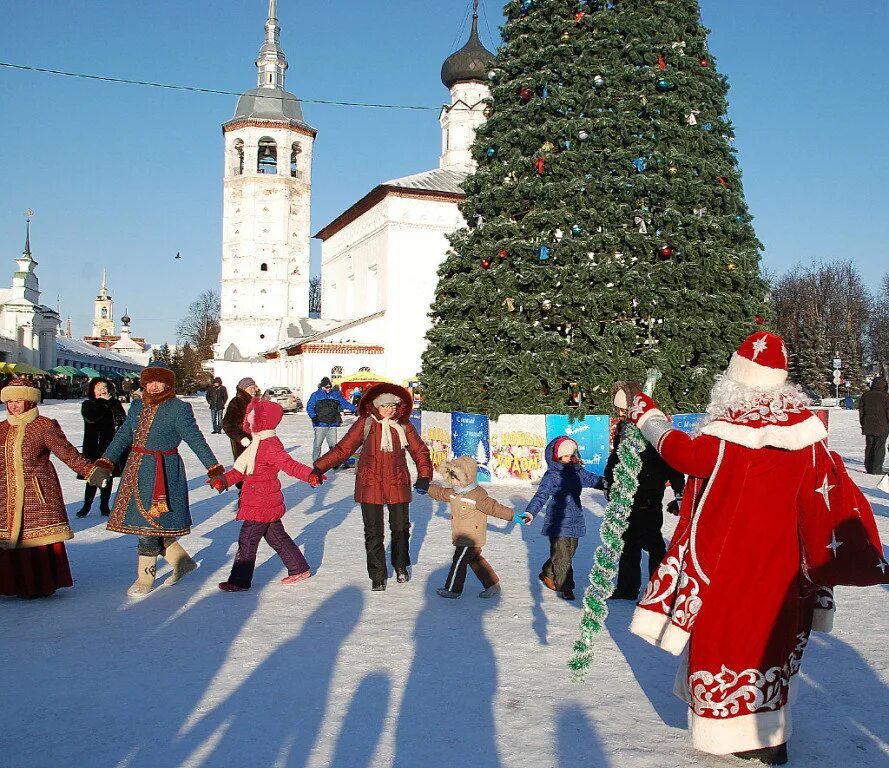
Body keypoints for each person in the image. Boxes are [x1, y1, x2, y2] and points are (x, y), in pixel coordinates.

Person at [626, 331, 889, 764]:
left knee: (729, 643)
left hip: (728, 566)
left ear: (736, 381)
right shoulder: (808, 440)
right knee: (773, 643)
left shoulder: (728, 435)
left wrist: (646, 414)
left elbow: (681, 452)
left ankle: (739, 737)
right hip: (785, 565)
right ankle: (772, 735)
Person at [89, 362, 224, 597]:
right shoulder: (137, 406)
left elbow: (195, 439)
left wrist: (213, 469)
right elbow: (123, 437)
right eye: (149, 381)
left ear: (168, 384)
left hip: (163, 472)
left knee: (149, 525)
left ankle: (145, 576)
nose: (153, 386)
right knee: (150, 524)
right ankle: (182, 562)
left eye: (158, 381)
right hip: (136, 470)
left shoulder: (178, 408)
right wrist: (105, 463)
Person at [312, 383, 432, 591]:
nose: (390, 410)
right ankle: (377, 574)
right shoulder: (365, 423)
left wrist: (424, 475)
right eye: (386, 406)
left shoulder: (403, 426)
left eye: (393, 406)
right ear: (376, 406)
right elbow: (343, 449)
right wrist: (319, 467)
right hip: (370, 483)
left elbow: (419, 450)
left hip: (397, 481)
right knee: (374, 532)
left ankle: (401, 565)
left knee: (401, 529)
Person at [0, 377, 103, 598]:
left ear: (30, 402)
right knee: (9, 541)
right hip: (6, 494)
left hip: (37, 493)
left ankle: (39, 584)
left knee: (35, 543)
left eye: (19, 401)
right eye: (10, 401)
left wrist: (90, 471)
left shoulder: (44, 425)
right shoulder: (2, 428)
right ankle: (12, 584)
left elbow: (67, 452)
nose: (13, 406)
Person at [213, 399, 323, 592]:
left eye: (252, 417)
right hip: (259, 500)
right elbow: (240, 471)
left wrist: (310, 475)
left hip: (262, 502)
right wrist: (222, 480)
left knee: (247, 540)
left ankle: (239, 581)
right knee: (276, 537)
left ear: (262, 421)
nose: (248, 419)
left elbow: (290, 465)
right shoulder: (256, 443)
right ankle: (300, 568)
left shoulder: (269, 445)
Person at [604, 381, 686, 600]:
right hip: (627, 498)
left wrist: (680, 492)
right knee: (628, 544)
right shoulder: (623, 428)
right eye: (617, 410)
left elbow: (671, 460)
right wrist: (609, 480)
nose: (619, 414)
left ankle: (658, 589)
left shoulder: (653, 425)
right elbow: (616, 457)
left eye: (623, 409)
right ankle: (627, 588)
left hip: (649, 497)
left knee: (654, 544)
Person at [523, 436, 601, 600]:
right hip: (557, 521)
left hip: (576, 519)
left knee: (568, 552)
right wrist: (530, 512)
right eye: (565, 456)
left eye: (572, 455)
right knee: (563, 556)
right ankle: (566, 587)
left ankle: (547, 572)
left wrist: (607, 483)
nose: (569, 459)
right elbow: (541, 496)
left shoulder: (578, 472)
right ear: (556, 456)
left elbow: (593, 479)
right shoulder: (551, 475)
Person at [428, 455, 516, 599]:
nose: (452, 482)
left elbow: (494, 508)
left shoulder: (477, 495)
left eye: (456, 478)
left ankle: (453, 589)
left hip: (471, 537)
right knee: (475, 560)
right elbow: (440, 492)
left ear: (467, 477)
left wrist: (514, 516)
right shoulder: (454, 492)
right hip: (462, 534)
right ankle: (492, 584)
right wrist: (426, 487)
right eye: (451, 477)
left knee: (459, 561)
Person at [77, 377, 127, 517]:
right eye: (98, 388)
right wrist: (102, 403)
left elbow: (123, 421)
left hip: (111, 446)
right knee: (93, 478)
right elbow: (91, 418)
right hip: (94, 447)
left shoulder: (115, 404)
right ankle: (86, 506)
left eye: (104, 388)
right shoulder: (88, 404)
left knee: (108, 476)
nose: (102, 391)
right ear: (93, 391)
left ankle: (104, 506)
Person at [306, 376, 357, 464]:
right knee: (318, 444)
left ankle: (333, 462)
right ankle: (316, 461)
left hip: (332, 424)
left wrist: (355, 409)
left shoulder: (335, 395)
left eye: (330, 387)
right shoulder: (316, 395)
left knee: (333, 445)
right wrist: (313, 417)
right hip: (320, 424)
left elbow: (344, 404)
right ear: (322, 387)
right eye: (326, 387)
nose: (328, 389)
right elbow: (309, 407)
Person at [222, 376, 260, 463]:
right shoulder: (236, 402)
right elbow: (227, 425)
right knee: (244, 472)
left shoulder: (256, 402)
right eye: (251, 388)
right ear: (244, 389)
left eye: (255, 387)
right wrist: (241, 438)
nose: (254, 390)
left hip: (258, 443)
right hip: (243, 446)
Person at [858, 376, 889, 474]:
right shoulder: (886, 396)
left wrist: (863, 423)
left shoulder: (866, 395)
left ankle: (869, 467)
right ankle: (877, 469)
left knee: (869, 446)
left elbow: (861, 412)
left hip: (868, 425)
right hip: (882, 426)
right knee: (879, 447)